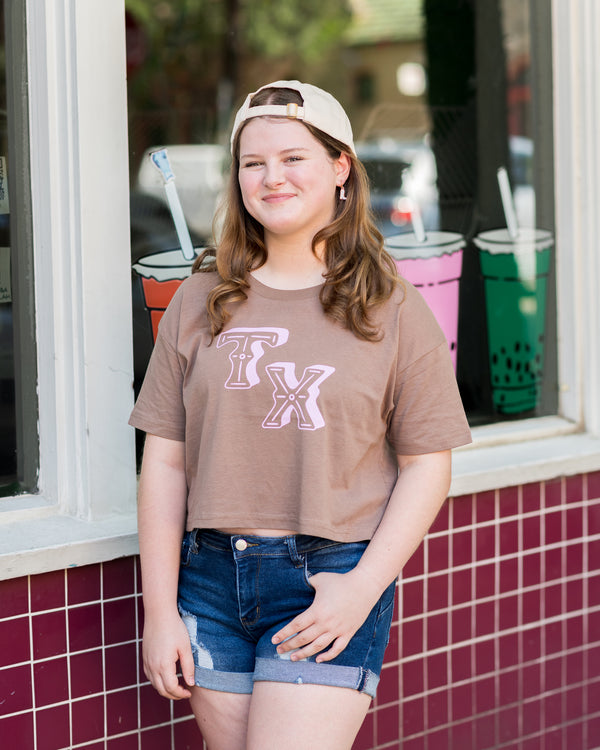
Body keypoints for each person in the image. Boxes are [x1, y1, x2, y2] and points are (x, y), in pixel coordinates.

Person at [129, 80, 472, 750]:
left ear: (340, 167)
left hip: (329, 579)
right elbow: (165, 461)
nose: (271, 177)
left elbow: (428, 466)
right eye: (253, 163)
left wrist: (362, 590)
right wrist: (160, 612)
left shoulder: (393, 307)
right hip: (209, 582)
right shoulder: (197, 300)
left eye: (293, 158)